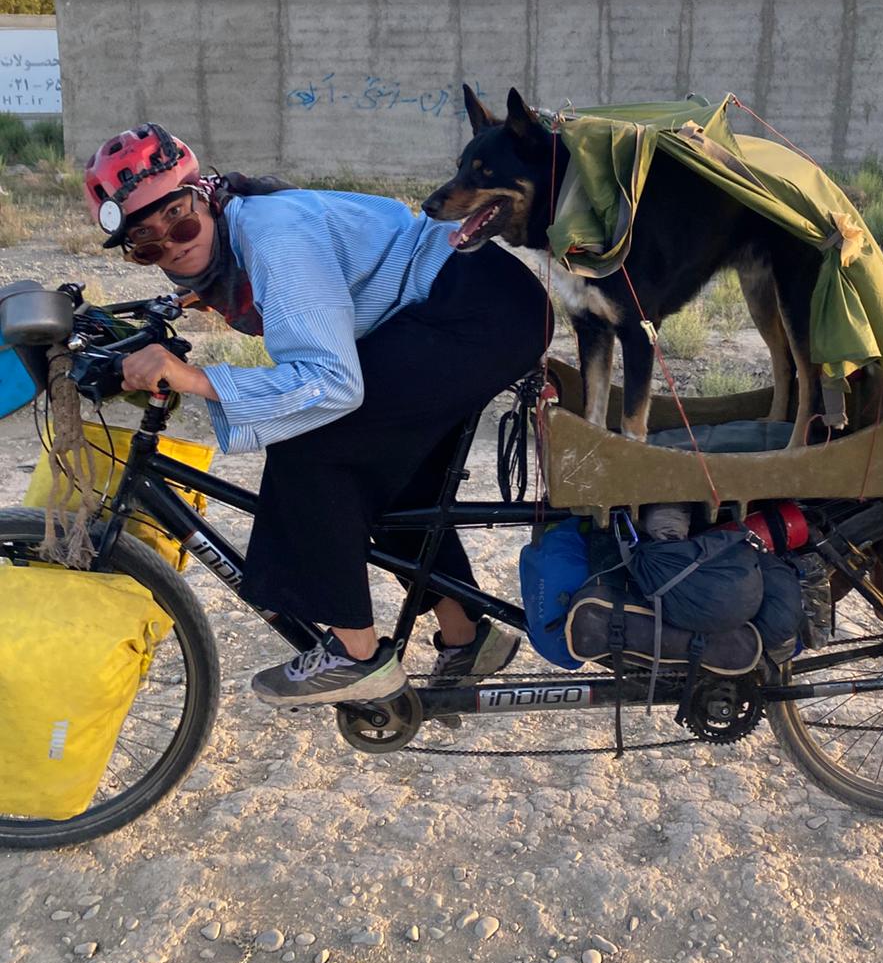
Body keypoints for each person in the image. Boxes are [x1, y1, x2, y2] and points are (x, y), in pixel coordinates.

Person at [82, 123, 547, 707]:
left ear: (204, 194)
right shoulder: (230, 241)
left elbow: (330, 382)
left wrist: (198, 380)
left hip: (474, 308)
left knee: (312, 444)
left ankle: (356, 655)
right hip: (460, 303)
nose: (172, 245)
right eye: (147, 244)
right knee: (381, 462)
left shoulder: (271, 235)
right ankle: (467, 638)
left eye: (179, 220)